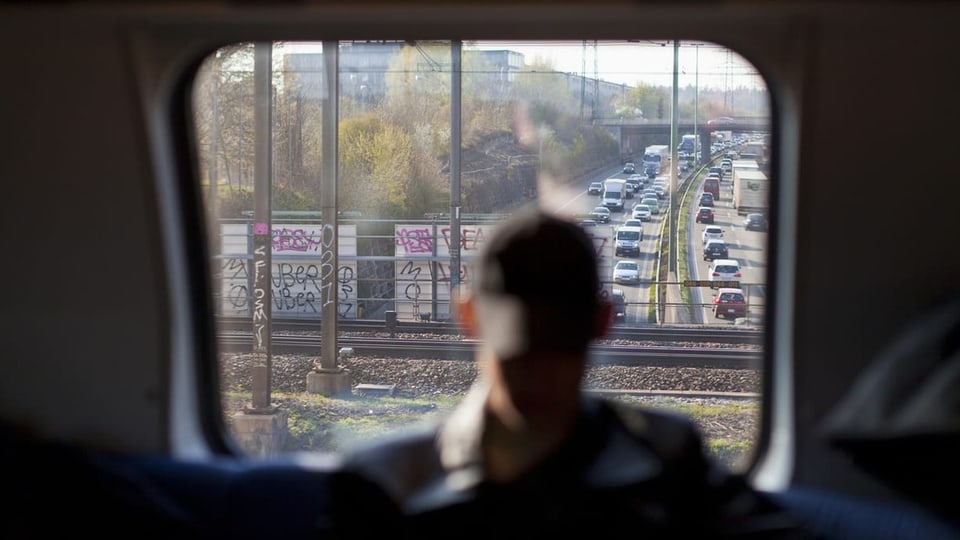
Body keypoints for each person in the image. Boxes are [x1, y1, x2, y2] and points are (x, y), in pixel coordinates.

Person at [339, 207, 814, 539]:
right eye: (524, 341)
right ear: (603, 321)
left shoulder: (389, 481)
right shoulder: (668, 459)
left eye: (555, 338)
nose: (540, 363)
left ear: (469, 316)